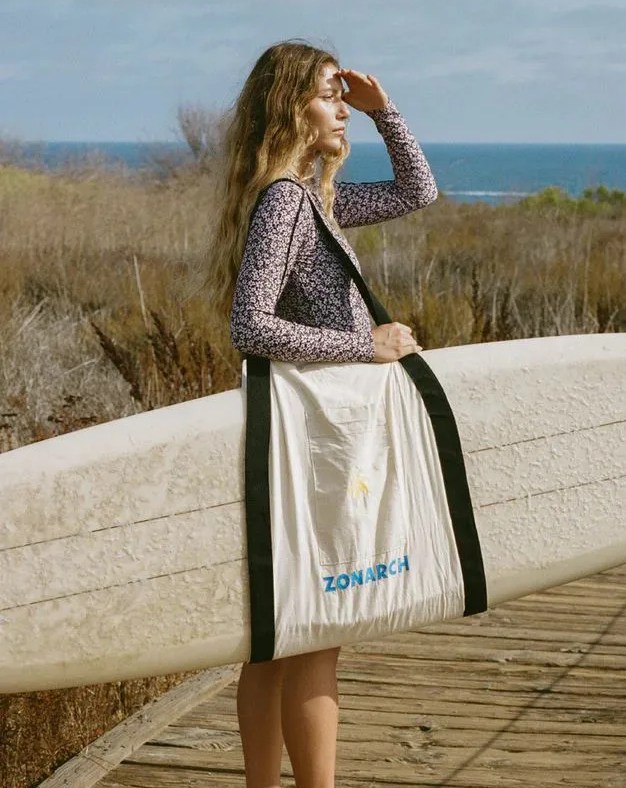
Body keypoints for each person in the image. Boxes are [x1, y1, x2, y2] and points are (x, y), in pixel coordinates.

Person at [209, 39, 438, 788]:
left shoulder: (317, 199)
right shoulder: (285, 201)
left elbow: (417, 193)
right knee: (312, 634)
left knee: (284, 637)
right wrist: (363, 345)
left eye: (344, 95)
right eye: (328, 94)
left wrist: (385, 113)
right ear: (288, 107)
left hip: (309, 438)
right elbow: (250, 326)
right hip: (305, 439)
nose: (342, 106)